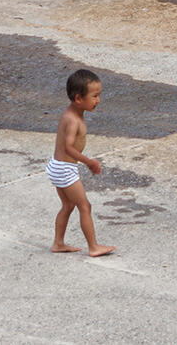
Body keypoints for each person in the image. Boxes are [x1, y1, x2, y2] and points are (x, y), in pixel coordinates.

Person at [47, 69, 116, 257]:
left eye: (99, 95)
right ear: (79, 99)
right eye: (94, 96)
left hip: (58, 166)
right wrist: (89, 162)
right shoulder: (72, 120)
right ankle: (93, 247)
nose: (98, 100)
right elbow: (68, 147)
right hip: (65, 169)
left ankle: (58, 243)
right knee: (85, 206)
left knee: (68, 206)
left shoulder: (73, 113)